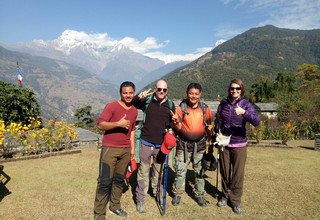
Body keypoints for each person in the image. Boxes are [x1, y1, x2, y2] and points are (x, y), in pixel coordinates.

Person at [214, 79, 260, 214]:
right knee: (225, 171)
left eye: (238, 89)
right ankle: (224, 196)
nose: (235, 91)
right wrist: (217, 130)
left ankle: (235, 201)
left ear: (241, 90)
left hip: (239, 143)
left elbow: (257, 121)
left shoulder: (245, 104)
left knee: (237, 174)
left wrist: (244, 112)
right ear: (229, 89)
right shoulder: (223, 103)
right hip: (224, 142)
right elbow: (218, 119)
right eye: (232, 88)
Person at [93, 81, 138, 219]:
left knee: (119, 180)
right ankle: (99, 214)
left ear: (133, 93)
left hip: (125, 150)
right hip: (110, 149)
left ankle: (115, 206)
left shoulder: (135, 110)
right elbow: (101, 125)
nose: (128, 95)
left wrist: (132, 148)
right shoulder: (111, 106)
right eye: (125, 93)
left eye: (130, 93)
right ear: (120, 93)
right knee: (105, 181)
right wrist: (118, 124)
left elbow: (132, 130)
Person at [132, 79, 175, 214]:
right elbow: (133, 103)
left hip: (161, 145)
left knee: (158, 171)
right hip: (145, 142)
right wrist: (139, 97)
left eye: (164, 90)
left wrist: (171, 128)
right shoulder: (148, 100)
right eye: (159, 89)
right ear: (155, 89)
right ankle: (140, 199)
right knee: (143, 172)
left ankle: (157, 192)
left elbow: (170, 124)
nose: (161, 92)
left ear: (167, 90)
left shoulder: (171, 104)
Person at [171, 82, 213, 207]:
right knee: (180, 171)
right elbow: (178, 128)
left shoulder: (205, 109)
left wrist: (210, 143)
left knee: (200, 173)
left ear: (200, 95)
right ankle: (177, 194)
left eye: (196, 94)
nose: (193, 96)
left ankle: (199, 195)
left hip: (199, 147)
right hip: (182, 146)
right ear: (186, 93)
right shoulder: (180, 108)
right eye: (191, 93)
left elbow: (209, 126)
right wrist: (176, 122)